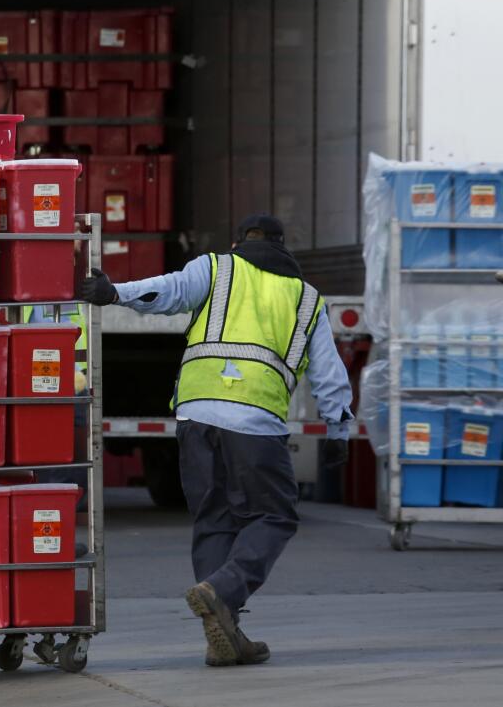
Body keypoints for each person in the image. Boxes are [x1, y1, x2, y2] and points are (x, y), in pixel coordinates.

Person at [79, 214, 353, 667]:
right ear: (285, 248)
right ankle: (222, 591)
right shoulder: (307, 299)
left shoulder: (218, 267)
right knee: (275, 515)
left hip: (195, 412)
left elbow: (167, 291)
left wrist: (114, 293)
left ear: (238, 241)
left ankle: (224, 633)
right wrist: (338, 428)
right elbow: (328, 372)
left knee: (214, 520)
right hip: (255, 419)